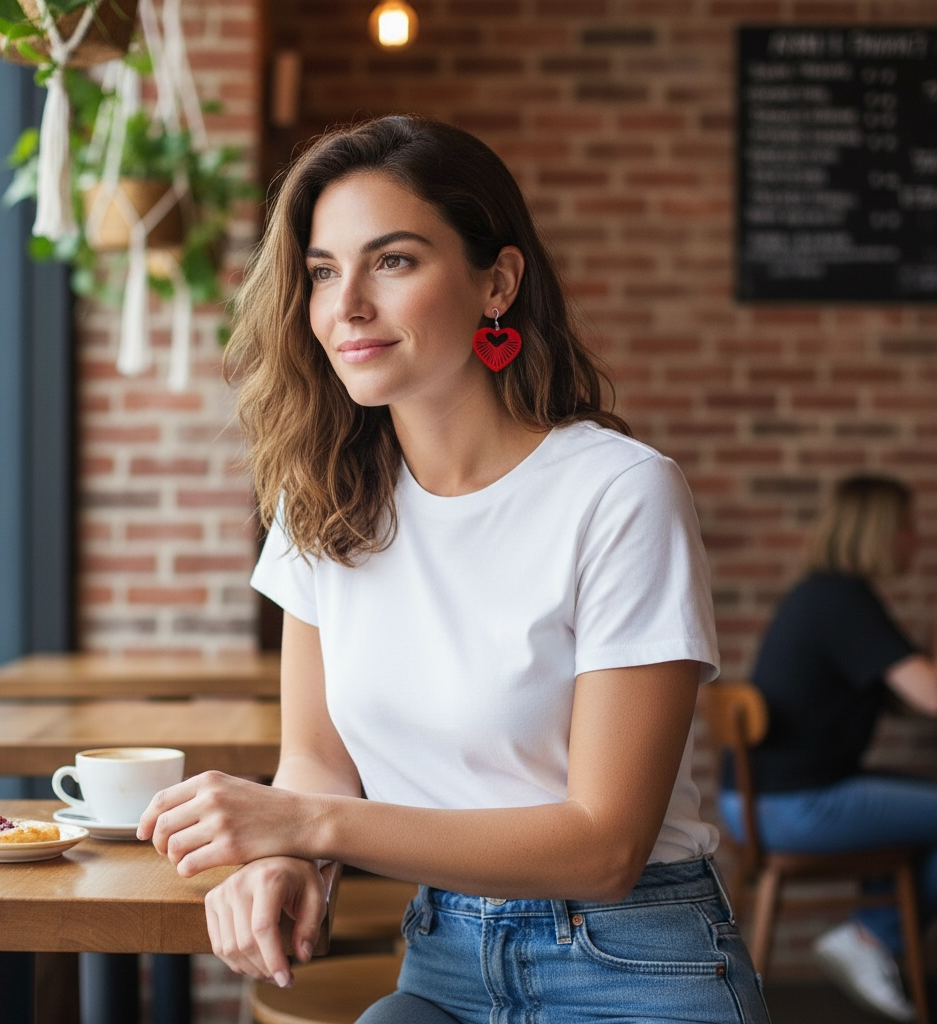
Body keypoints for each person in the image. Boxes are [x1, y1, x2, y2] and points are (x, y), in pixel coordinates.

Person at [137, 114, 770, 1024]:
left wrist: (308, 828)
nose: (346, 304)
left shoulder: (620, 493)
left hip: (634, 960)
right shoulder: (321, 500)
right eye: (321, 272)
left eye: (392, 261)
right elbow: (316, 759)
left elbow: (605, 847)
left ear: (497, 283)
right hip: (443, 957)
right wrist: (284, 857)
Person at [718, 474, 937, 1022]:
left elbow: (901, 694)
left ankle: (874, 939)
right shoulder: (844, 601)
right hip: (791, 810)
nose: (916, 538)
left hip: (760, 803)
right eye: (907, 526)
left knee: (919, 796)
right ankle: (872, 937)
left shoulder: (825, 596)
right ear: (879, 531)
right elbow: (930, 696)